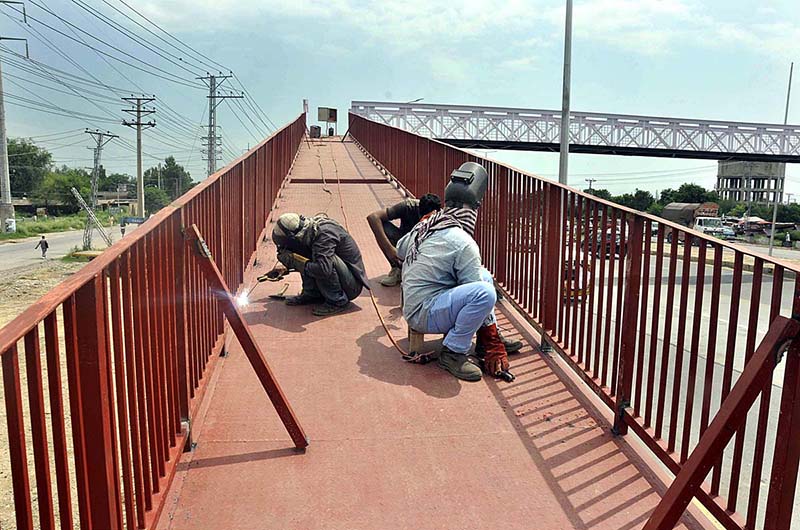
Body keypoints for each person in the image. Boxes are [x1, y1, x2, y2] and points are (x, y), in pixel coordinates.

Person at [397, 162, 521, 382]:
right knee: (485, 292)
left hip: (413, 305)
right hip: (424, 313)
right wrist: (494, 342)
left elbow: (400, 249)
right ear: (473, 209)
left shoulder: (426, 225)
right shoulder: (463, 242)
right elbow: (479, 295)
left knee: (484, 275)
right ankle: (453, 352)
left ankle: (483, 343)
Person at [272, 212, 369, 316]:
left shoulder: (324, 236)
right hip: (343, 277)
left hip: (351, 286)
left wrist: (294, 261)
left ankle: (337, 301)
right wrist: (287, 265)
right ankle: (312, 294)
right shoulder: (308, 230)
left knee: (323, 262)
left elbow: (323, 270)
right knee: (304, 252)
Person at [367, 194, 442, 286]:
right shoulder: (408, 206)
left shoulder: (443, 218)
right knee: (382, 226)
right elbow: (373, 217)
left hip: (425, 248)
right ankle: (397, 268)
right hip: (405, 243)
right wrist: (389, 249)